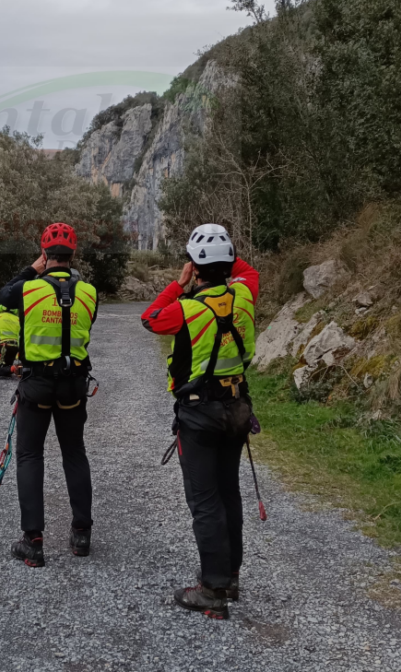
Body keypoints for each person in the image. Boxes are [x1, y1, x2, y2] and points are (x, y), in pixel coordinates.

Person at [141, 223, 257, 621]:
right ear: (228, 264)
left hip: (199, 414)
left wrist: (179, 281)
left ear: (194, 265)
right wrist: (226, 257)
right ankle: (231, 575)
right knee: (229, 494)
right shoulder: (243, 294)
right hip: (237, 409)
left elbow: (150, 318)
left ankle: (213, 589)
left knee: (205, 501)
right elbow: (250, 273)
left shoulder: (187, 309)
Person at [0, 222, 98, 567]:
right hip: (73, 385)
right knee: (74, 452)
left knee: (29, 456)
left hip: (36, 385)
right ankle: (81, 534)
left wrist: (33, 269)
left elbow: (3, 296)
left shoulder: (28, 289)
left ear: (45, 255)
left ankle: (33, 541)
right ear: (73, 255)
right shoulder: (88, 292)